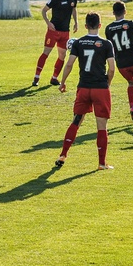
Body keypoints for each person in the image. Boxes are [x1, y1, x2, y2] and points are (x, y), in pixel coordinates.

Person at [55, 12, 116, 170]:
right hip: (100, 88)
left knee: (77, 120)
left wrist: (62, 82)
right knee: (101, 126)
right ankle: (102, 163)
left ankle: (63, 154)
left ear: (86, 26)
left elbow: (69, 64)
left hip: (83, 87)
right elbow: (111, 68)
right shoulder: (107, 44)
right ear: (100, 25)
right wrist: (107, 83)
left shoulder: (79, 43)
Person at [33, 0, 78, 86]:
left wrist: (76, 22)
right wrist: (48, 23)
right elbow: (44, 11)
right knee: (46, 53)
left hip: (65, 32)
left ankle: (54, 78)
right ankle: (36, 77)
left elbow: (74, 9)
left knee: (62, 56)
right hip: (53, 31)